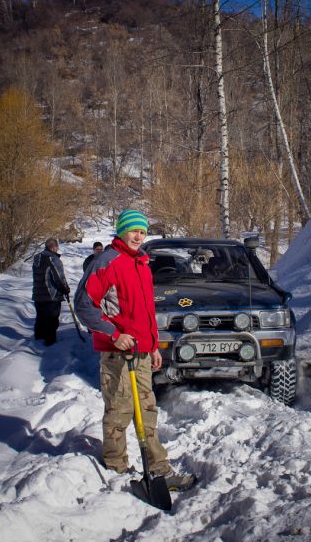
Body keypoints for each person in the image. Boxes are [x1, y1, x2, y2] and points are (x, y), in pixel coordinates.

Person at [74, 209, 195, 491]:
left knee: (147, 410)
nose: (139, 236)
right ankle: (116, 468)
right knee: (119, 411)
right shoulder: (108, 261)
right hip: (118, 353)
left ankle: (159, 470)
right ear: (121, 231)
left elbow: (146, 313)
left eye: (142, 231)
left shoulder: (141, 263)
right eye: (133, 230)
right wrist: (114, 334)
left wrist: (153, 346)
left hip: (141, 353)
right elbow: (84, 304)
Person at [32, 238, 70, 346]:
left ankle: (38, 338)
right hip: (51, 296)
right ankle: (50, 343)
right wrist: (65, 289)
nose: (57, 249)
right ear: (53, 247)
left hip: (38, 295)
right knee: (52, 320)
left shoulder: (37, 257)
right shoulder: (53, 259)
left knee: (40, 317)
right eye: (57, 247)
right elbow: (59, 278)